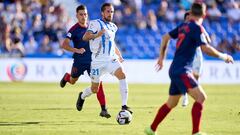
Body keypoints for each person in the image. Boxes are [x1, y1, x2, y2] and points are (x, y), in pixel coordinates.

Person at [145, 3, 234, 135]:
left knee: (171, 103)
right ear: (204, 15)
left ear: (191, 13)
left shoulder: (183, 26)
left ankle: (151, 129)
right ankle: (196, 132)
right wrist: (223, 56)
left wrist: (161, 58)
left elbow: (165, 37)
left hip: (175, 68)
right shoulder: (197, 28)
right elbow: (205, 48)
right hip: (182, 70)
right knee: (201, 97)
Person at [76, 3, 132, 114]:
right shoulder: (95, 23)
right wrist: (97, 35)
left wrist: (119, 55)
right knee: (94, 89)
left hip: (111, 59)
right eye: (108, 11)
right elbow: (85, 37)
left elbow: (111, 43)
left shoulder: (113, 27)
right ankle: (82, 95)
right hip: (97, 62)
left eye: (112, 12)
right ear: (102, 13)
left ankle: (124, 106)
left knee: (122, 75)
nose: (110, 14)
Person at [59, 5, 111, 118]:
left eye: (85, 14)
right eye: (81, 14)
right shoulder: (73, 29)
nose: (84, 16)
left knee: (98, 84)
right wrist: (75, 50)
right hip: (79, 61)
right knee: (73, 81)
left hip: (93, 61)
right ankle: (66, 77)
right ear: (77, 16)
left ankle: (104, 109)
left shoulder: (92, 27)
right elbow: (64, 44)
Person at [182, 11, 211, 107]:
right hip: (187, 56)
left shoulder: (198, 27)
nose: (188, 19)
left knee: (196, 78)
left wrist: (206, 37)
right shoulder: (183, 29)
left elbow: (208, 39)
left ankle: (196, 97)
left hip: (198, 55)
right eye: (187, 18)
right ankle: (185, 97)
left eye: (190, 17)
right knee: (186, 77)